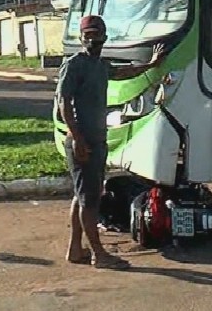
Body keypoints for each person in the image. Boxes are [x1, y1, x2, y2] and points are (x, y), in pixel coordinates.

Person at [56, 14, 167, 269]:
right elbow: (64, 104)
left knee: (83, 195)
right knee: (90, 200)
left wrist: (151, 64)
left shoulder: (99, 65)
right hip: (83, 142)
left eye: (97, 34)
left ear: (105, 37)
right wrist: (79, 139)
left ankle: (75, 249)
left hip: (96, 140)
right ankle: (99, 254)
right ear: (81, 37)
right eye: (89, 35)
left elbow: (122, 72)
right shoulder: (74, 65)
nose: (93, 39)